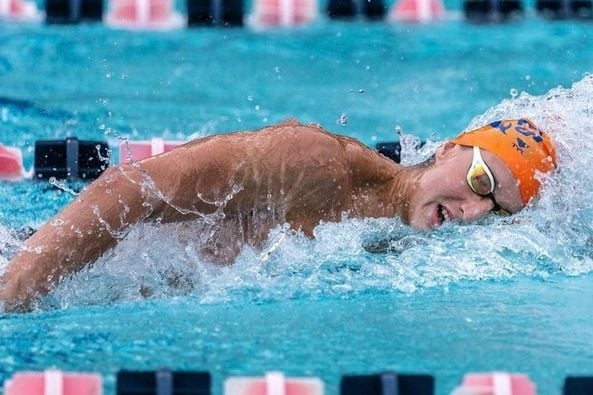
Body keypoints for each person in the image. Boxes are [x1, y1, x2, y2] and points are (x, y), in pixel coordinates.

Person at [0, 117, 557, 312]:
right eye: (480, 182)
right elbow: (130, 190)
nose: (471, 212)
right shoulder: (316, 163)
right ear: (446, 151)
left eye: (494, 210)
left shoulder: (403, 243)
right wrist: (14, 292)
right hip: (32, 255)